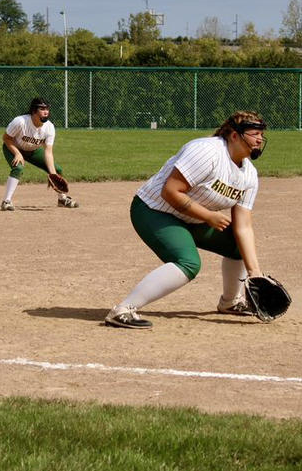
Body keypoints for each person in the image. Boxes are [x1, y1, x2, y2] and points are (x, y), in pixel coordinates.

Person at [105, 110, 270, 329]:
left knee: (239, 247)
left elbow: (244, 226)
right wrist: (208, 216)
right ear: (234, 135)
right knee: (189, 262)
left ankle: (231, 301)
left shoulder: (249, 175)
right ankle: (123, 309)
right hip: (154, 210)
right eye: (254, 133)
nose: (260, 139)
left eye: (261, 134)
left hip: (194, 219)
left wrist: (255, 272)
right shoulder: (207, 152)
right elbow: (170, 191)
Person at [0, 98, 79, 210]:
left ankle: (62, 199)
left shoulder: (49, 127)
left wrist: (53, 174)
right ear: (33, 111)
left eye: (47, 109)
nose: (46, 111)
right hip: (13, 147)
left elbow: (48, 152)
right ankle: (6, 201)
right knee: (18, 168)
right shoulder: (20, 122)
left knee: (57, 170)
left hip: (33, 150)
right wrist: (17, 153)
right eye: (42, 109)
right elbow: (6, 138)